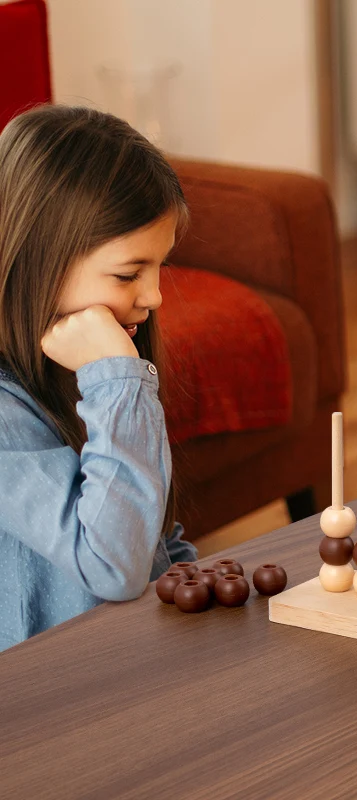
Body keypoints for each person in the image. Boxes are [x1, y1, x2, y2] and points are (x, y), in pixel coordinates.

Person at [0, 105, 197, 653]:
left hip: (130, 663)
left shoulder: (73, 369)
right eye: (129, 274)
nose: (154, 297)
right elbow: (114, 565)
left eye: (160, 268)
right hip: (54, 707)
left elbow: (149, 528)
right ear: (42, 255)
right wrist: (116, 380)